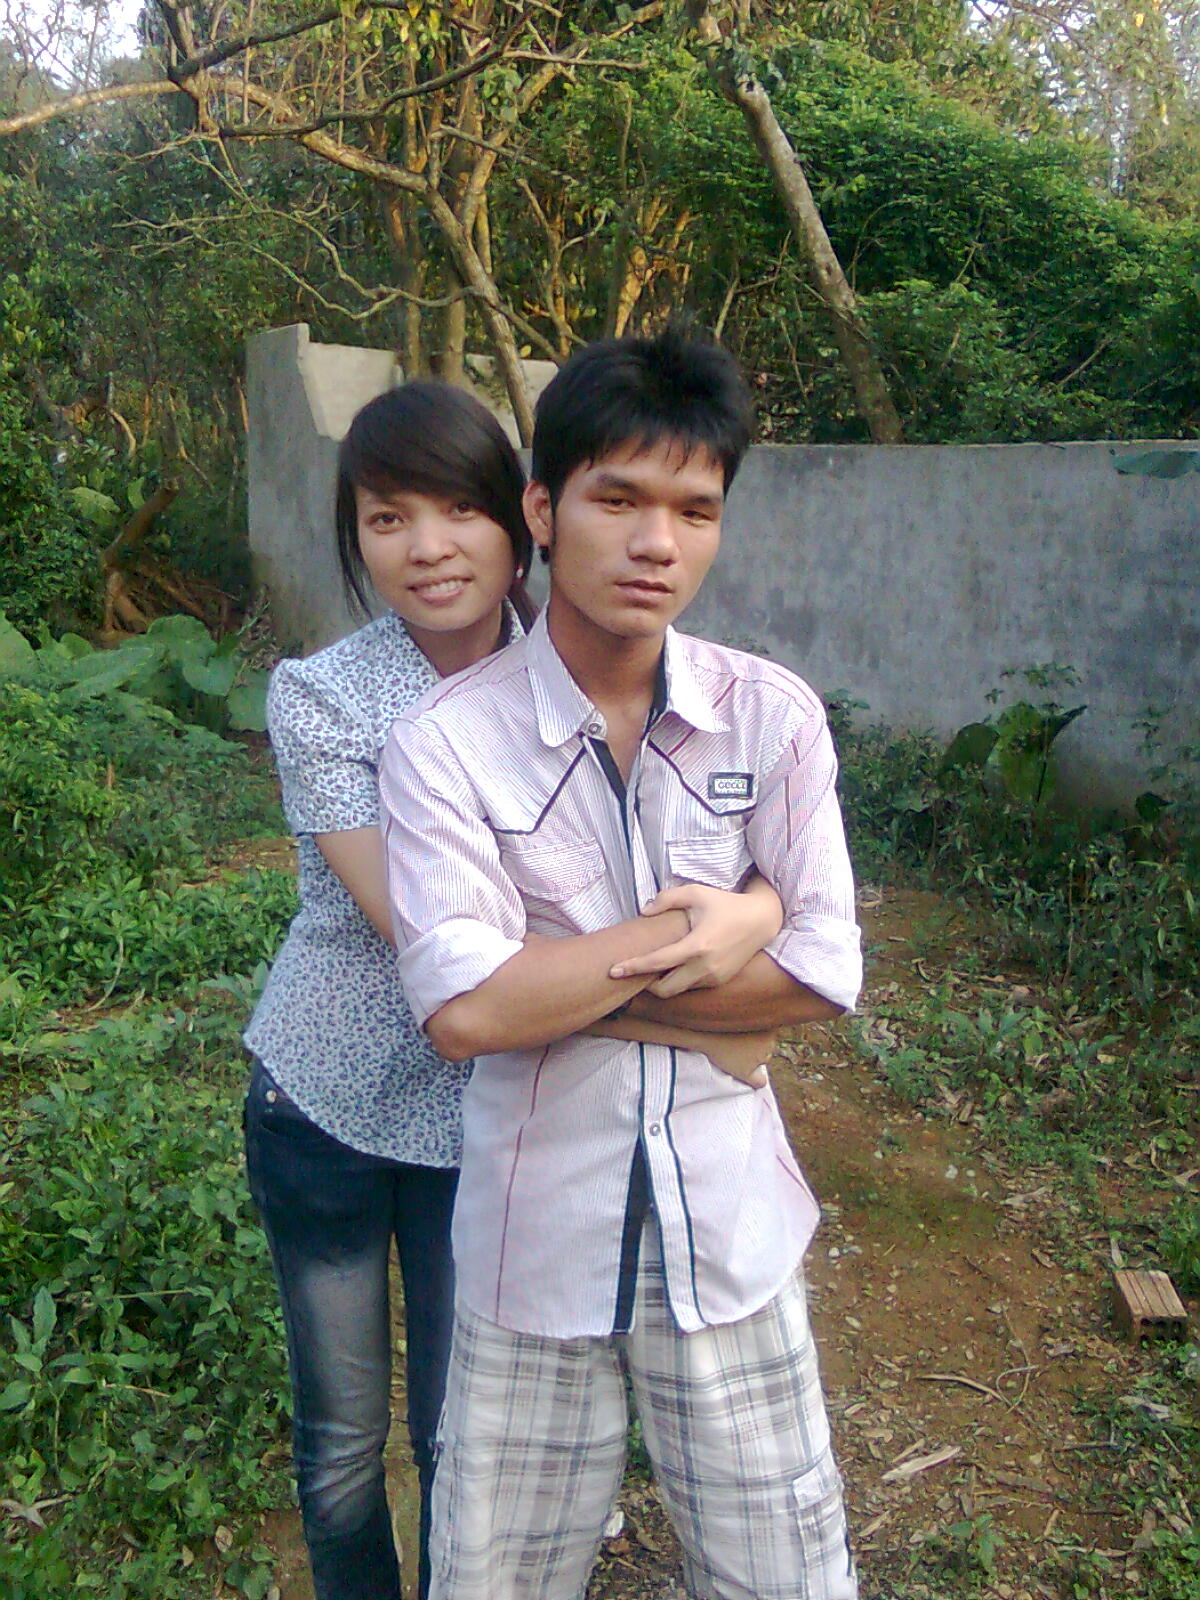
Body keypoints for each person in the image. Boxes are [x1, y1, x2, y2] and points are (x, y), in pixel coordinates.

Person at [243, 377, 792, 1600]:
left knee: (468, 1446)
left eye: (460, 510)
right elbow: (441, 956)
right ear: (355, 539)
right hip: (331, 1103)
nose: (429, 548)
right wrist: (725, 1004)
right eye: (388, 519)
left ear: (522, 517)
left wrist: (758, 910)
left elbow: (723, 868)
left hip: (496, 1123)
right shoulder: (324, 698)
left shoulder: (594, 675)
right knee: (342, 1444)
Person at [378, 330, 864, 1600]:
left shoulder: (771, 717)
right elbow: (464, 1011)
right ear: (542, 511)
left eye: (695, 510)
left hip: (733, 1235)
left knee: (784, 1576)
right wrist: (735, 922)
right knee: (495, 1579)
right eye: (619, 499)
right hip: (533, 1247)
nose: (658, 542)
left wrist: (556, 978)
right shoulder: (444, 743)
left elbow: (825, 974)